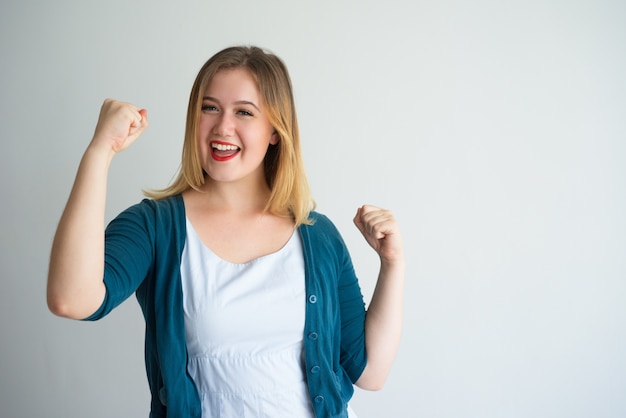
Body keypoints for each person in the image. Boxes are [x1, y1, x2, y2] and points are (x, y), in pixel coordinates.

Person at [47, 45, 404, 418]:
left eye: (244, 112)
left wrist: (391, 263)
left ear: (275, 131)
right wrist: (99, 152)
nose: (222, 127)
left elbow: (370, 372)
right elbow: (71, 299)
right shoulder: (155, 227)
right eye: (210, 107)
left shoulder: (318, 236)